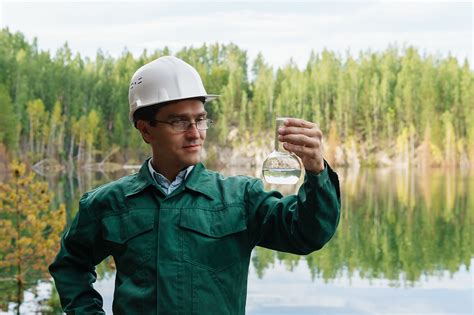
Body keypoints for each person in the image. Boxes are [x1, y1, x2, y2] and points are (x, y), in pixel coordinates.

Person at [49, 56, 341, 314]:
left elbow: (307, 234)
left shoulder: (240, 198)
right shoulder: (107, 204)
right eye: (179, 122)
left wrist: (316, 172)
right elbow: (70, 265)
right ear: (145, 129)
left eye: (200, 120)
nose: (195, 133)